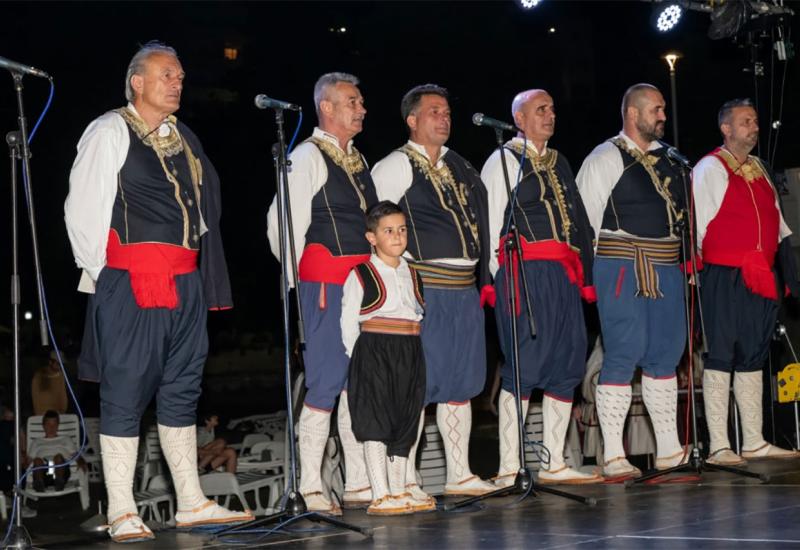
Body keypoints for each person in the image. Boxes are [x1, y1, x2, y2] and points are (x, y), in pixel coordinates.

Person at [65, 41, 251, 543]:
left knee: (182, 388)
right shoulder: (109, 130)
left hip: (186, 279)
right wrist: (110, 280)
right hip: (132, 281)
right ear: (137, 82)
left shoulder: (183, 136)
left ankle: (190, 502)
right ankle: (122, 509)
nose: (177, 82)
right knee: (125, 390)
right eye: (167, 74)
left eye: (181, 76)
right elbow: (82, 213)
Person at [371, 84, 494, 497]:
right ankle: (405, 476)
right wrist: (393, 287)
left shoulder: (461, 165)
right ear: (412, 120)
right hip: (426, 291)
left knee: (461, 383)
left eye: (447, 112)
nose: (444, 118)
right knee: (419, 384)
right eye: (434, 112)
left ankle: (458, 473)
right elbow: (376, 229)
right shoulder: (395, 166)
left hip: (464, 292)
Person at [266, 72, 377, 514]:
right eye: (353, 101)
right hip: (326, 284)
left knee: (357, 385)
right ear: (326, 107)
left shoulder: (358, 161)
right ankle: (310, 484)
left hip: (361, 287)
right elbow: (281, 224)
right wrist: (301, 283)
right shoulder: (307, 156)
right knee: (326, 381)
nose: (362, 108)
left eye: (362, 100)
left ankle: (357, 481)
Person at [481, 89, 602, 485]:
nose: (550, 115)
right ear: (518, 119)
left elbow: (579, 222)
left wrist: (585, 276)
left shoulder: (560, 161)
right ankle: (508, 467)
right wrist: (501, 281)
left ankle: (553, 464)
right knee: (525, 366)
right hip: (525, 273)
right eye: (540, 110)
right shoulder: (503, 160)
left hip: (564, 275)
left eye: (552, 108)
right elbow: (491, 227)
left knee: (566, 364)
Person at [576, 83, 689, 479]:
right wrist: (589, 281)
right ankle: (613, 455)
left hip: (667, 266)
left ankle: (670, 450)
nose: (662, 116)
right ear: (633, 114)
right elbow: (585, 222)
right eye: (656, 110)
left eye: (662, 109)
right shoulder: (605, 157)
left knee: (665, 354)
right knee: (623, 352)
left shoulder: (670, 159)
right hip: (622, 265)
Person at [693, 98, 800, 464]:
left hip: (761, 276)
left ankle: (753, 440)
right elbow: (697, 226)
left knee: (754, 355)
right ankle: (719, 445)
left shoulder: (760, 168)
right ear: (726, 128)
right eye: (745, 121)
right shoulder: (710, 167)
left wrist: (787, 273)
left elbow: (780, 225)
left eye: (755, 120)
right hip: (724, 275)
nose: (754, 127)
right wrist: (694, 275)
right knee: (722, 354)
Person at [340, 201, 431, 515]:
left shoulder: (412, 271)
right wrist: (360, 361)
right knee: (376, 422)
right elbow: (348, 320)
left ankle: (399, 489)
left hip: (409, 347)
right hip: (374, 348)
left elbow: (418, 314)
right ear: (372, 237)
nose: (397, 236)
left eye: (402, 230)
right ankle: (379, 493)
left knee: (405, 419)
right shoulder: (362, 273)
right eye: (388, 230)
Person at [25, 410, 86, 493]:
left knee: (58, 457)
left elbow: (75, 454)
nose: (51, 427)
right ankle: (39, 484)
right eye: (48, 424)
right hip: (43, 472)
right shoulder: (37, 442)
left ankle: (59, 482)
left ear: (58, 426)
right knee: (37, 460)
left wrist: (81, 461)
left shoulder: (65, 439)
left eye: (54, 424)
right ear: (43, 426)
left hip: (62, 469)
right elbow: (28, 460)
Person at [31, 351, 68, 416]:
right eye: (58, 364)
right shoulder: (39, 376)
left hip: (58, 415)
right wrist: (39, 415)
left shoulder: (61, 376)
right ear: (50, 362)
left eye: (62, 364)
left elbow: (63, 396)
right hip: (42, 415)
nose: (60, 366)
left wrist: (61, 413)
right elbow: (35, 398)